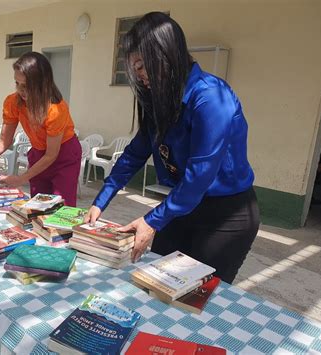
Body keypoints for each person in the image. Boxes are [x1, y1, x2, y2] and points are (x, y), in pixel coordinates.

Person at [84, 12, 259, 284]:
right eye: (135, 69)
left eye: (142, 66)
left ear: (165, 54)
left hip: (225, 217)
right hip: (181, 205)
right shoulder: (160, 98)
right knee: (153, 281)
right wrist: (101, 200)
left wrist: (151, 221)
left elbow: (199, 176)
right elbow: (135, 153)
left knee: (197, 294)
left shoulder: (211, 97)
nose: (140, 77)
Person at [0, 52, 81, 206]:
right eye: (17, 84)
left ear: (42, 84)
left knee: (61, 209)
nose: (21, 90)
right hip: (39, 154)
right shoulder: (13, 102)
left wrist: (21, 178)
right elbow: (3, 141)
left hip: (64, 156)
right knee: (37, 206)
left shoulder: (56, 109)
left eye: (27, 86)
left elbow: (51, 155)